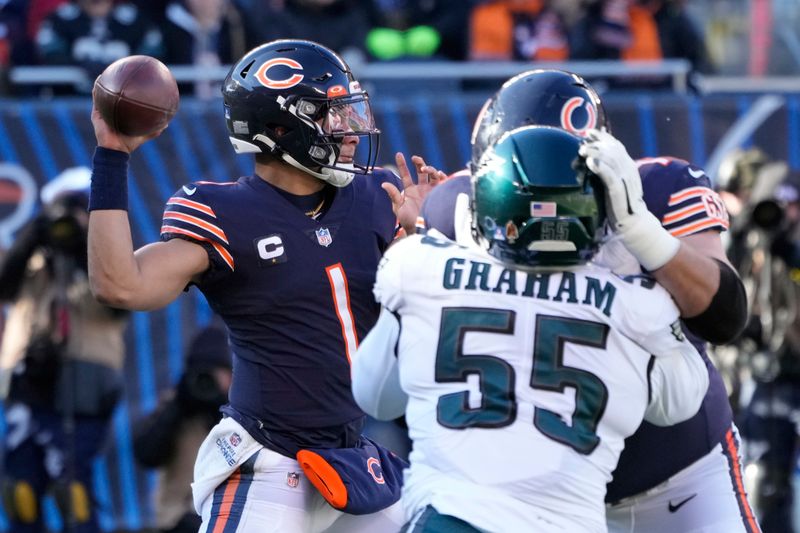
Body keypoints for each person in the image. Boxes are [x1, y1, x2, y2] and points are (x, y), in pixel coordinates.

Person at [87, 39, 442, 532]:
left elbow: (448, 320)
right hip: (267, 459)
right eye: (331, 114)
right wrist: (112, 155)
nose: (350, 130)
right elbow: (120, 286)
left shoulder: (380, 196)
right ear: (280, 126)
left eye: (349, 111)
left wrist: (430, 239)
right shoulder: (227, 213)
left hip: (352, 459)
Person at [417, 69, 757, 532]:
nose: (548, 204)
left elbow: (726, 316)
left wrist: (645, 235)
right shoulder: (452, 207)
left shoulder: (658, 190)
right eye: (528, 185)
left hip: (680, 471)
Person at [351, 125, 709, 532]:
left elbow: (375, 396)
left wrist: (424, 240)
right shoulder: (635, 304)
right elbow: (680, 403)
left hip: (454, 516)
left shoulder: (422, 266)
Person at [0, 167, 128, 533]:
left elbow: (122, 305)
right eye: (62, 208)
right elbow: (3, 288)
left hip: (84, 382)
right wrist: (31, 241)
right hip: (27, 381)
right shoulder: (31, 255)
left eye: (79, 209)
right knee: (19, 490)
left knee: (70, 489)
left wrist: (84, 250)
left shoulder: (109, 257)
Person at [133, 322, 232, 533]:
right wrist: (177, 407)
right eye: (204, 373)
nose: (210, 382)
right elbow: (146, 455)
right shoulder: (176, 404)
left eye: (219, 373)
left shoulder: (238, 414)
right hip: (175, 519)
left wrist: (220, 409)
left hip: (223, 518)